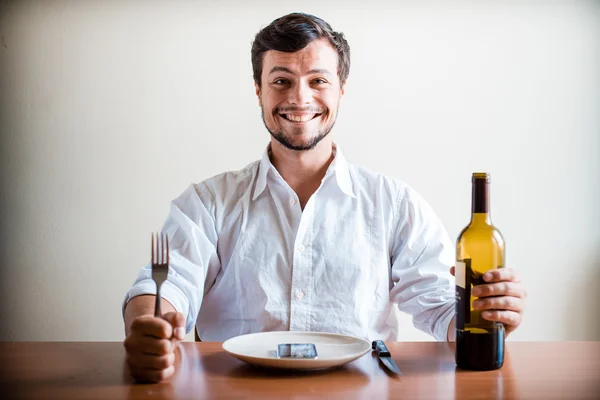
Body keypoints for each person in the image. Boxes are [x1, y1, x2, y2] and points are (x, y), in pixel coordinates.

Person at [122, 12, 527, 383]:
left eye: (318, 80)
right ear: (258, 90)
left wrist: (489, 312)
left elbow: (444, 312)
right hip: (233, 389)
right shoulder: (208, 202)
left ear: (341, 90)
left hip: (362, 391)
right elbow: (164, 285)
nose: (299, 98)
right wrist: (146, 325)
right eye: (281, 80)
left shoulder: (394, 203)